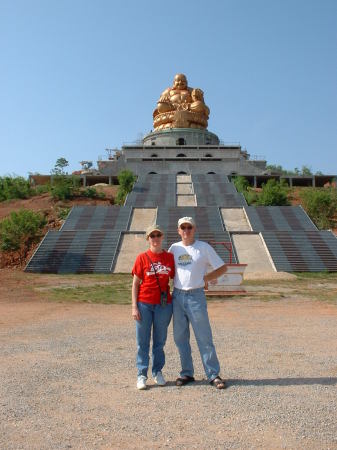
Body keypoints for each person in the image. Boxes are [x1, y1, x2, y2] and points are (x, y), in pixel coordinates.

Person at [168, 217, 227, 389]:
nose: (186, 230)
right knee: (180, 337)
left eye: (189, 227)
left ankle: (213, 374)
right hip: (177, 296)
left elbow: (222, 267)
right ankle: (186, 373)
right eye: (183, 227)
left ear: (194, 229)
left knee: (204, 336)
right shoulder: (174, 248)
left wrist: (206, 278)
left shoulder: (203, 247)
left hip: (196, 296)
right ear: (178, 230)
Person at [131, 224, 175, 390]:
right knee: (142, 341)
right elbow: (135, 284)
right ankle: (142, 374)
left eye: (158, 235)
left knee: (159, 341)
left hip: (163, 305)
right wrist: (134, 307)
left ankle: (157, 371)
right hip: (144, 304)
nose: (155, 239)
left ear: (162, 237)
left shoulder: (169, 258)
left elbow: (177, 278)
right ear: (148, 239)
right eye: (152, 236)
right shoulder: (142, 258)